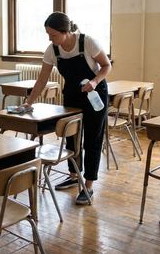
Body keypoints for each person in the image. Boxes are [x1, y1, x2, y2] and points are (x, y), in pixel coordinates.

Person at [23, 12, 112, 205]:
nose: (50, 39)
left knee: (92, 139)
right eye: (48, 35)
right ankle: (73, 176)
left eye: (53, 35)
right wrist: (29, 101)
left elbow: (106, 66)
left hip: (95, 93)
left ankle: (88, 186)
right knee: (71, 136)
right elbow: (42, 80)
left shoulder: (87, 42)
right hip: (72, 94)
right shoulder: (52, 50)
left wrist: (95, 81)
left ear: (66, 32)